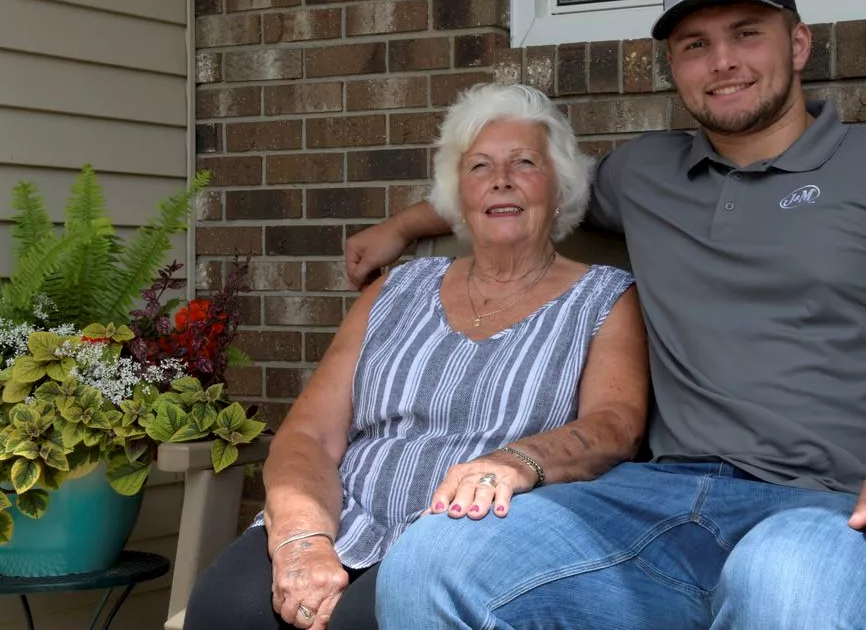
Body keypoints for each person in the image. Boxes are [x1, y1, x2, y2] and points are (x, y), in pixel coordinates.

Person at [359, 0, 866, 629]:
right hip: (649, 504)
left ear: (798, 43)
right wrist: (402, 225)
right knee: (435, 554)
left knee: (780, 578)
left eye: (747, 33)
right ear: (675, 68)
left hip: (830, 512)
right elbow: (526, 192)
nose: (722, 61)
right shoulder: (646, 174)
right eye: (695, 44)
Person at [183, 83, 649, 630]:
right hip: (346, 517)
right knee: (226, 610)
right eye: (479, 166)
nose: (501, 179)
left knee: (367, 620)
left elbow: (615, 426)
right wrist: (302, 539)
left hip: (467, 533)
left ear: (561, 185)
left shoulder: (604, 297)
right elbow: (309, 433)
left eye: (524, 162)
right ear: (457, 193)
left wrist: (516, 462)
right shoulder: (396, 288)